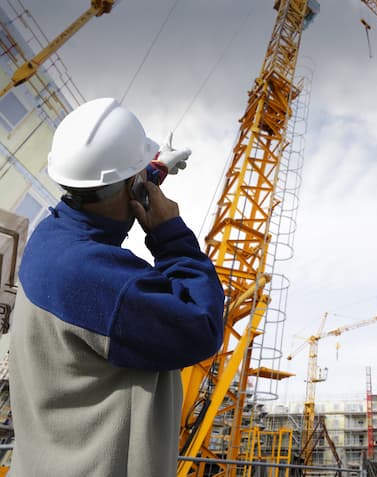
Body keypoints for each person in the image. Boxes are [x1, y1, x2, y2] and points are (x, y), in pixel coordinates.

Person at [8, 97, 225, 476]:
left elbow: (106, 190)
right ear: (129, 187)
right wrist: (171, 236)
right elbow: (202, 325)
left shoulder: (52, 237)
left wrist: (152, 171)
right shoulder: (104, 281)